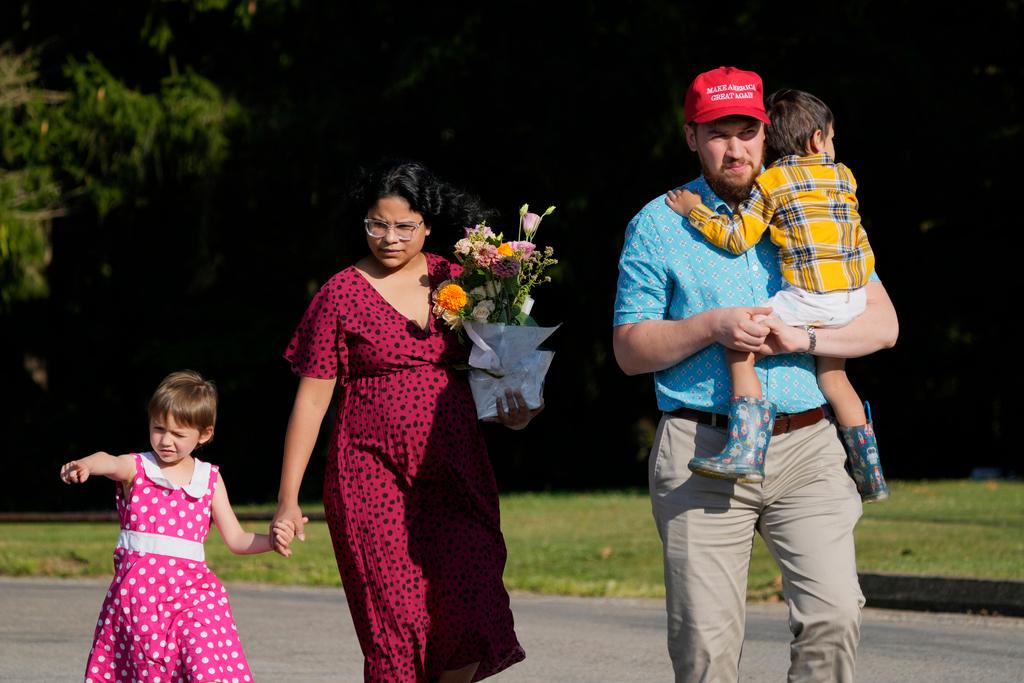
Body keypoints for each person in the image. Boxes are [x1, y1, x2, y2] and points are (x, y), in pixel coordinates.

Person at [613, 66, 899, 682]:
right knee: (706, 649)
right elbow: (630, 349)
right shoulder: (659, 223)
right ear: (692, 137)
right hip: (702, 452)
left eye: (748, 132)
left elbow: (883, 324)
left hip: (809, 449)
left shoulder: (812, 198)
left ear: (768, 134)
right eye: (719, 134)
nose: (735, 147)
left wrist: (808, 337)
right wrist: (712, 326)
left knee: (835, 614)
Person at [271, 159, 539, 683]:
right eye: (377, 223)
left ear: (429, 226)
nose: (389, 238)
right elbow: (311, 402)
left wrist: (521, 410)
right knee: (396, 624)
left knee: (470, 605)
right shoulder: (340, 294)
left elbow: (506, 371)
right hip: (370, 476)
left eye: (403, 226)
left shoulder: (464, 279)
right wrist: (287, 499)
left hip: (456, 471)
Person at [664, 88, 889, 501]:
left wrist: (693, 210)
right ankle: (870, 473)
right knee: (835, 378)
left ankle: (747, 449)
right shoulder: (844, 175)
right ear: (819, 140)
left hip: (808, 297)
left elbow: (736, 239)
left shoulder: (772, 182)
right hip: (852, 295)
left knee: (741, 340)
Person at [59, 369, 296, 683]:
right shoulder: (138, 468)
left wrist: (272, 540)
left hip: (195, 596)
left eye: (178, 434)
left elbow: (237, 539)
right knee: (148, 672)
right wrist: (87, 465)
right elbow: (109, 460)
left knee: (205, 662)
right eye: (158, 429)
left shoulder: (209, 478)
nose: (166, 441)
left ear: (204, 434)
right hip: (140, 602)